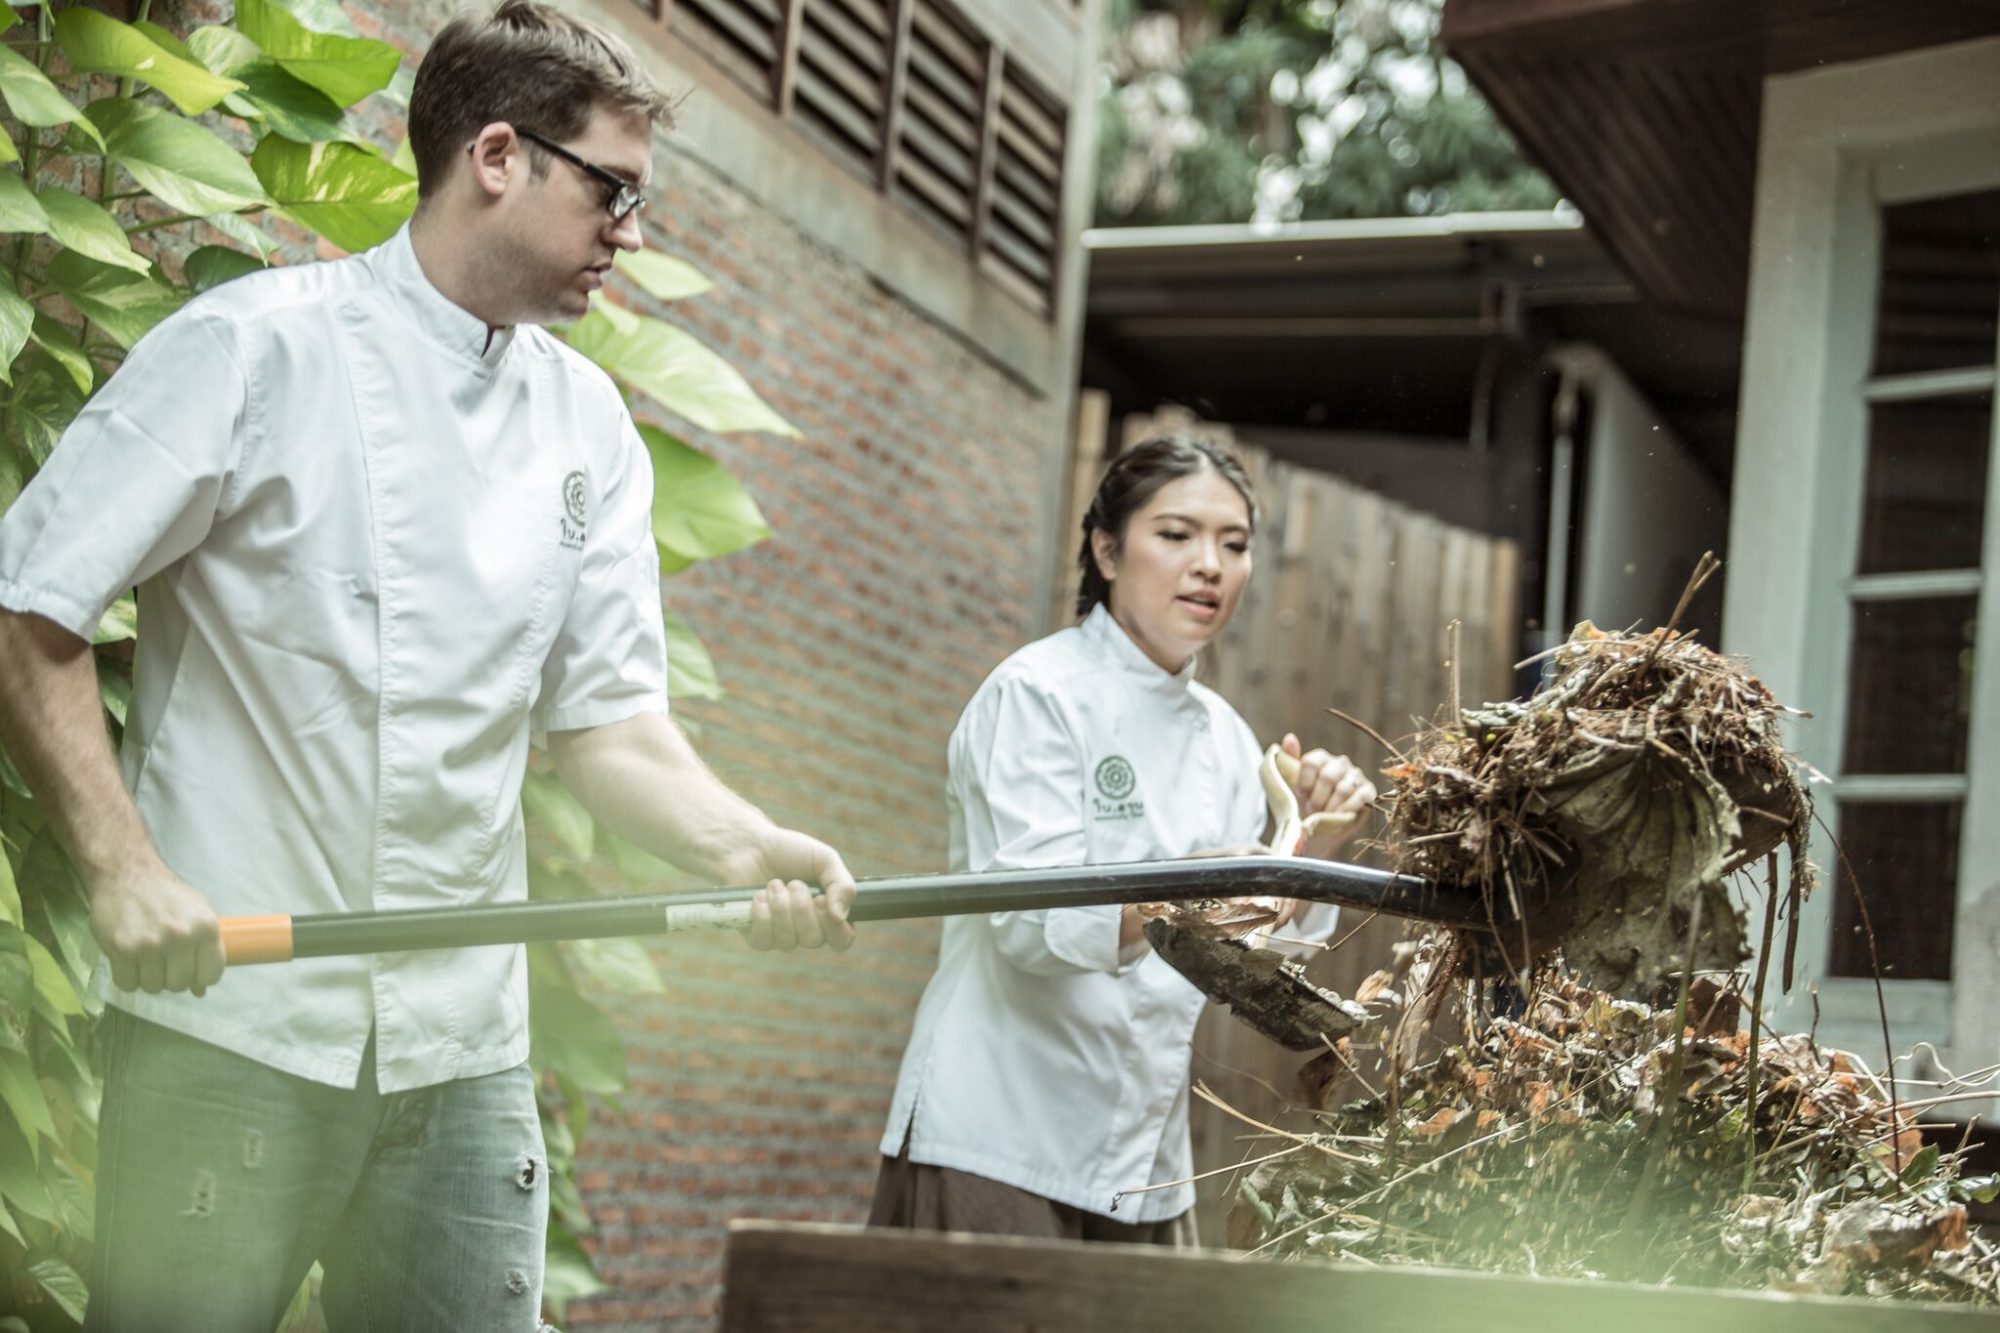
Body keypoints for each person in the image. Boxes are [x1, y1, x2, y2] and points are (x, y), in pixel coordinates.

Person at [0, 4, 855, 1328]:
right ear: (498, 157)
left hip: (463, 1047)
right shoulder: (254, 349)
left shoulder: (589, 426)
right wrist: (123, 871)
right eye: (614, 193)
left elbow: (611, 730)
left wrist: (746, 847)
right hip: (235, 1019)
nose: (631, 235)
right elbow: (28, 607)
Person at [869, 436, 1377, 1245]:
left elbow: (1261, 957)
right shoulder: (1037, 692)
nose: (1209, 565)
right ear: (1107, 551)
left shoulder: (1226, 735)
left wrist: (1313, 843)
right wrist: (1195, 890)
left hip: (1144, 1166)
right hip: (996, 1135)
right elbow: (1031, 921)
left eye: (1234, 544)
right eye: (1176, 534)